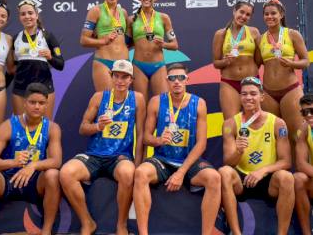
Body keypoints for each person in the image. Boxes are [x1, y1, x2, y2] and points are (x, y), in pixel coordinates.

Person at [133, 63, 221, 235]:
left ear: (187, 79)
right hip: (163, 159)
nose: (177, 82)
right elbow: (146, 137)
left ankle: (206, 232)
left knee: (214, 178)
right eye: (172, 78)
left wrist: (181, 173)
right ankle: (143, 233)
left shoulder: (199, 103)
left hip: (189, 161)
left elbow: (201, 143)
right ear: (167, 80)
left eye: (181, 77)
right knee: (140, 174)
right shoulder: (157, 101)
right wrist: (158, 140)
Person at [60, 59, 145, 235]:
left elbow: (141, 133)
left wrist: (138, 163)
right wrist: (98, 126)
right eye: (117, 76)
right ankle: (87, 222)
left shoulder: (137, 99)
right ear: (111, 77)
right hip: (95, 154)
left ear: (131, 80)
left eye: (125, 77)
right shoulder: (99, 97)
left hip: (120, 156)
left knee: (128, 173)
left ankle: (121, 225)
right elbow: (83, 128)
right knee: (66, 173)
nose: (120, 81)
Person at [0, 83, 62, 235]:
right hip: (8, 179)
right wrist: (12, 162)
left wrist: (32, 166)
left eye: (41, 103)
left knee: (53, 175)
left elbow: (56, 161)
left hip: (34, 181)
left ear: (46, 105)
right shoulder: (9, 125)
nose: (37, 106)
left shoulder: (52, 128)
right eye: (33, 102)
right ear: (25, 103)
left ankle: (46, 231)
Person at [219, 76, 294, 234]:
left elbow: (286, 161)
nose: (248, 98)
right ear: (240, 97)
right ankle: (236, 232)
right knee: (224, 173)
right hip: (242, 180)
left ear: (261, 97)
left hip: (267, 180)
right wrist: (238, 151)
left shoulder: (277, 123)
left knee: (287, 177)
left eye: (253, 94)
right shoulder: (230, 124)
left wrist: (263, 171)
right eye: (244, 94)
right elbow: (228, 162)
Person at [258, 0, 309, 144]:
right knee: (272, 137)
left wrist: (292, 63)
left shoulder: (292, 34)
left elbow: (306, 61)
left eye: (273, 13)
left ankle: (299, 167)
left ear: (281, 15)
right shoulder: (260, 39)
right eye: (266, 14)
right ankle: (277, 168)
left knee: (296, 136)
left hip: (290, 90)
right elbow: (255, 63)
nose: (270, 17)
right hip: (268, 93)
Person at [10, 0, 64, 118]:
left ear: (36, 15)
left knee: (45, 128)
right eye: (23, 14)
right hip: (20, 91)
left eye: (30, 13)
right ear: (19, 17)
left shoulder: (47, 36)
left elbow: (60, 65)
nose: (27, 16)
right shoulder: (15, 39)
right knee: (20, 127)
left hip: (44, 90)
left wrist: (50, 57)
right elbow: (12, 68)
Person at [80, 0, 130, 91]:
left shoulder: (124, 12)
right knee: (107, 103)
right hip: (104, 62)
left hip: (124, 63)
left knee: (122, 104)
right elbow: (83, 40)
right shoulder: (95, 11)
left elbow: (127, 40)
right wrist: (104, 40)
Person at [130, 0, 178, 101]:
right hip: (138, 66)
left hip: (158, 65)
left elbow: (175, 45)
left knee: (162, 103)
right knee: (140, 105)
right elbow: (126, 43)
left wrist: (164, 44)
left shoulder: (163, 18)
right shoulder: (131, 19)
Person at [212, 0, 260, 120]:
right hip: (229, 83)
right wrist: (226, 61)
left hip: (252, 82)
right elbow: (216, 63)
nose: (243, 16)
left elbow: (259, 60)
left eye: (248, 14)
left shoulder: (254, 32)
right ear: (234, 11)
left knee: (255, 123)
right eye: (241, 12)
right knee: (231, 123)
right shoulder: (220, 34)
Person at [294, 93, 313, 234]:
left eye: (312, 111)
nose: (309, 115)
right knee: (298, 179)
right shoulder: (303, 130)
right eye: (304, 112)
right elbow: (301, 164)